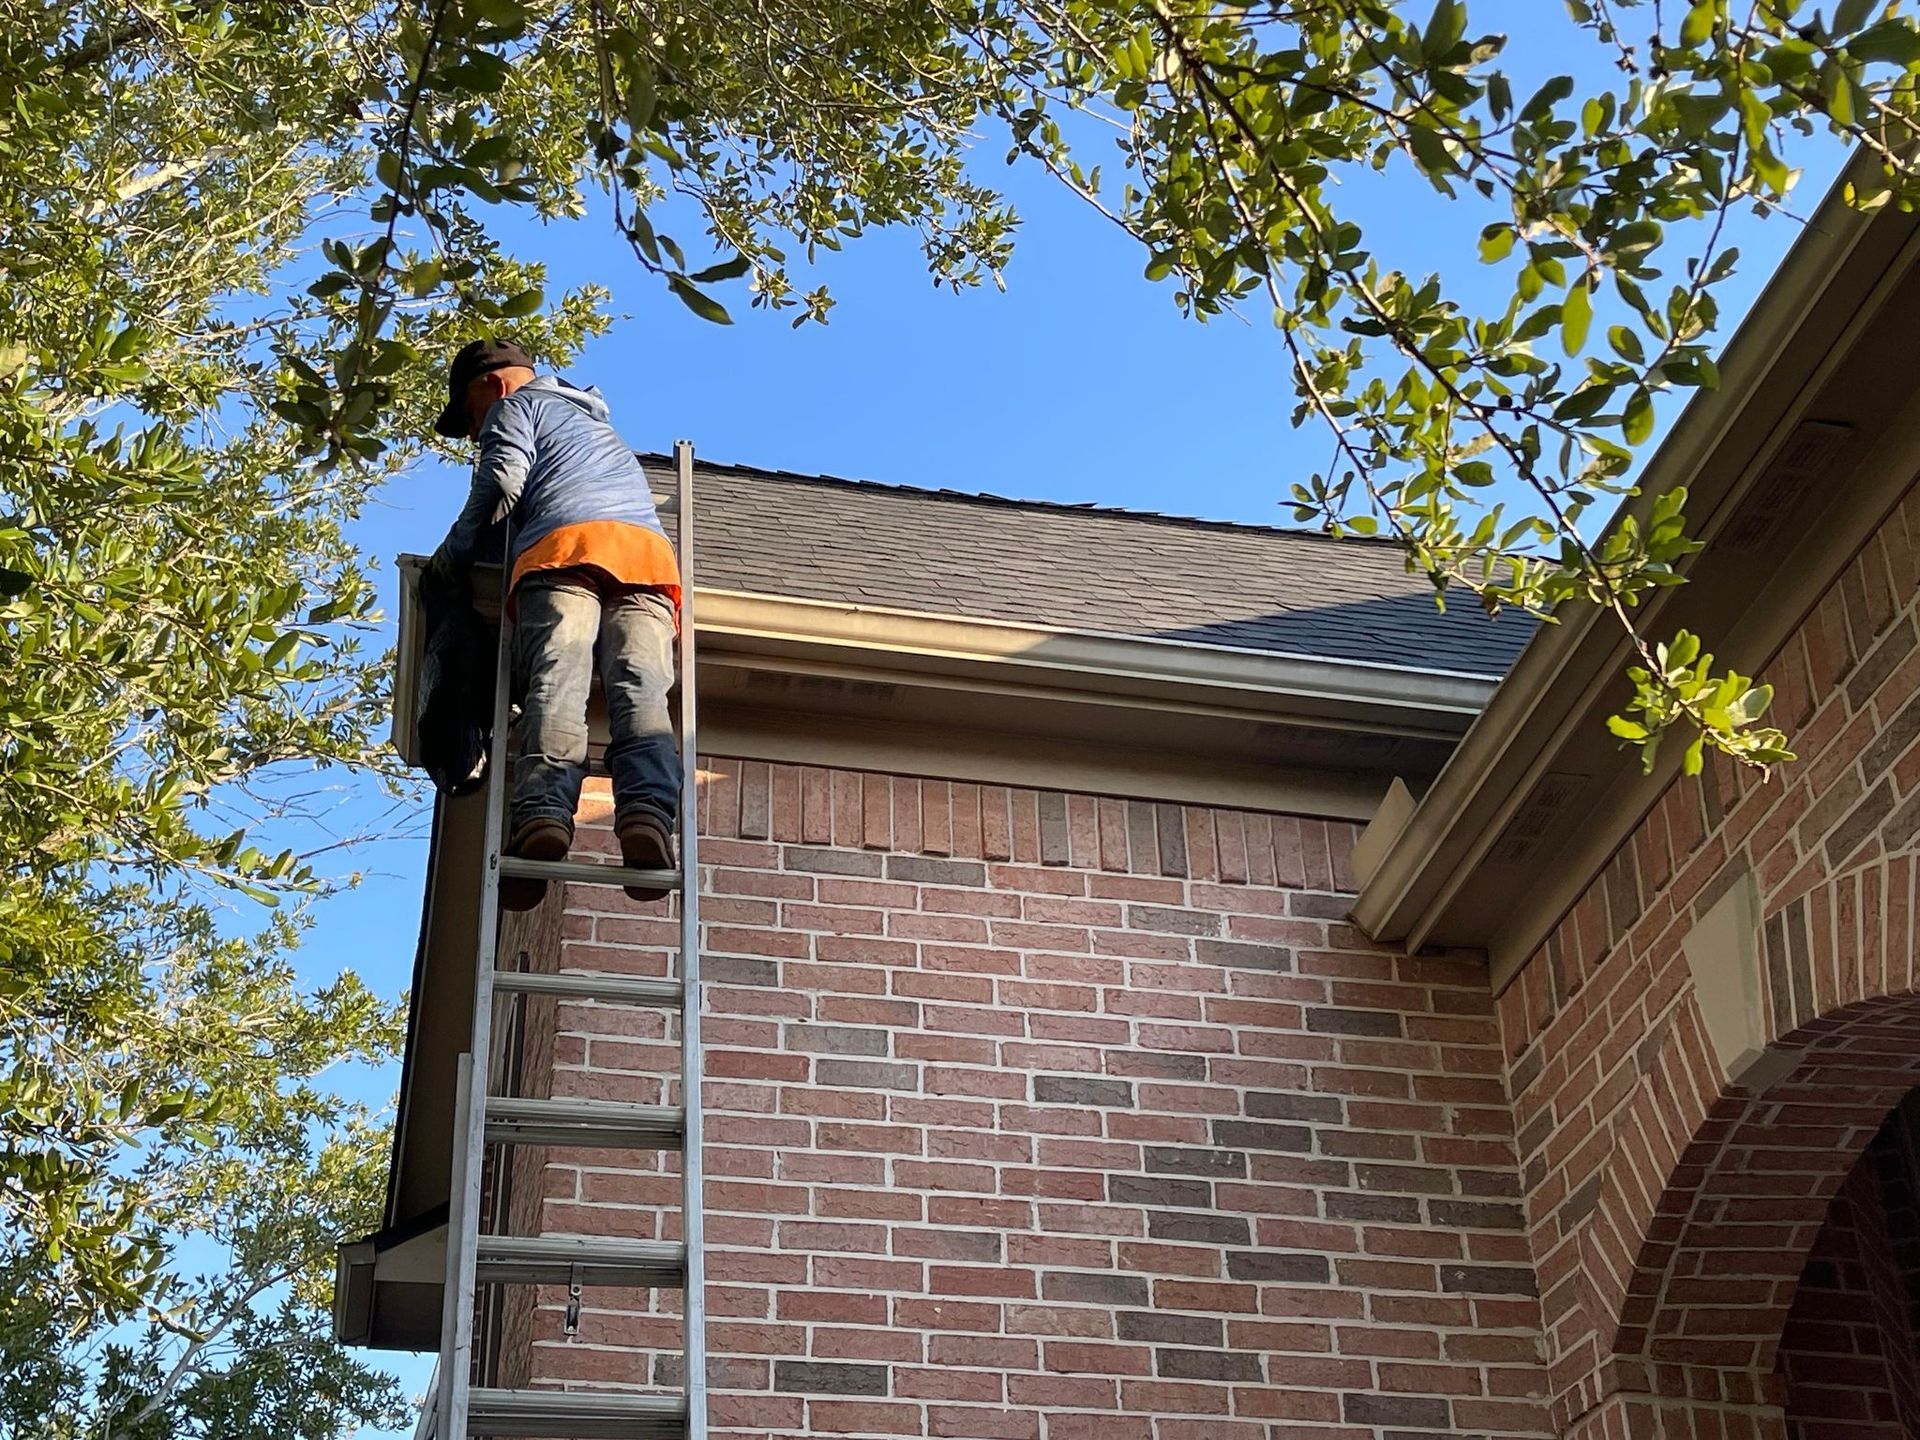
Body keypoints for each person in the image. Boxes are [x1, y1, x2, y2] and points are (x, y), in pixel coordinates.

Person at [427, 338, 681, 910]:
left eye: (471, 415)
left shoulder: (516, 407)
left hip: (564, 552)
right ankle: (647, 815)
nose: (475, 430)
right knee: (641, 689)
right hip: (647, 561)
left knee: (556, 684)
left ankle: (543, 816)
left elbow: (500, 480)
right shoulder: (599, 431)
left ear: (492, 386)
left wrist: (453, 555)